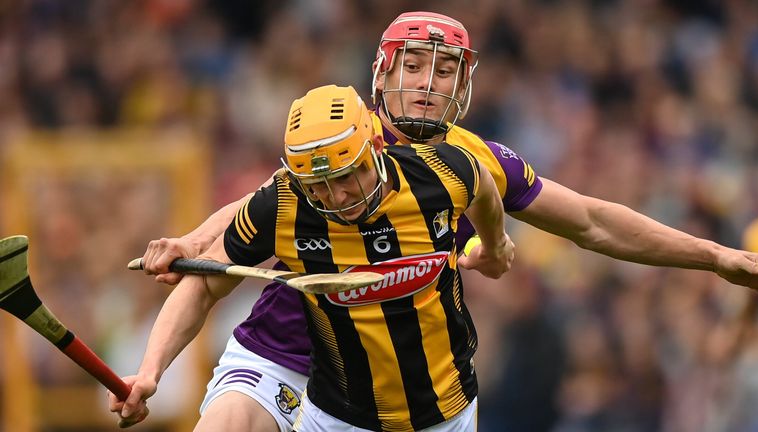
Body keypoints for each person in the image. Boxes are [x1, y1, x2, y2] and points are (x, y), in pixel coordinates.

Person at [117, 10, 758, 432]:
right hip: (285, 356)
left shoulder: (471, 161)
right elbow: (267, 199)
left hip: (408, 397)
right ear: (384, 72)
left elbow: (594, 222)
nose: (429, 82)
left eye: (446, 68)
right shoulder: (347, 136)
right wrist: (196, 243)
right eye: (415, 65)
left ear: (466, 80)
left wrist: (715, 256)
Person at [110, 83, 516, 431]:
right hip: (338, 414)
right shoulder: (284, 206)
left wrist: (494, 247)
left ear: (375, 149)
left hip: (444, 411)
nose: (336, 199)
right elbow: (202, 285)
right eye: (317, 185)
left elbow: (483, 188)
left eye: (345, 177)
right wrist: (150, 372)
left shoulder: (441, 174)